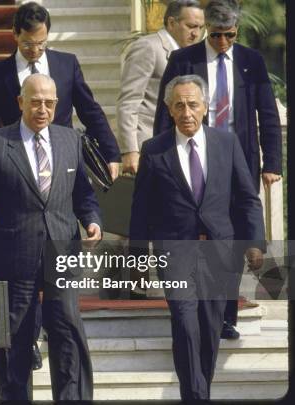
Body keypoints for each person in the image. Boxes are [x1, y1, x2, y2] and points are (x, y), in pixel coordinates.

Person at [0, 74, 102, 400]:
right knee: (15, 336)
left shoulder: (70, 140)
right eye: (35, 101)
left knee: (68, 329)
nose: (42, 109)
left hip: (63, 251)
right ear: (20, 102)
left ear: (57, 105)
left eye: (49, 102)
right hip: (14, 252)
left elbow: (84, 193)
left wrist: (92, 220)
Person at [130, 74, 264, 401]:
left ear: (205, 107)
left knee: (210, 328)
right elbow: (140, 210)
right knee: (185, 324)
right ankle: (195, 395)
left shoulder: (226, 144)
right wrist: (136, 259)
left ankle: (199, 391)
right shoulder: (154, 150)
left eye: (192, 104)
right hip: (175, 253)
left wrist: (254, 242)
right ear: (169, 110)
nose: (187, 112)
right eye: (179, 105)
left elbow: (247, 197)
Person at [153, 0, 282, 339]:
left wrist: (273, 163)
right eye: (217, 35)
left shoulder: (250, 62)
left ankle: (226, 315)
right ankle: (193, 304)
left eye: (230, 35)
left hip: (239, 162)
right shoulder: (183, 60)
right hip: (194, 158)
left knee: (235, 236)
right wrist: (158, 160)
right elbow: (163, 114)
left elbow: (266, 113)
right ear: (206, 29)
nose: (223, 42)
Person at [0, 1, 120, 179]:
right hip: (16, 161)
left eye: (41, 43)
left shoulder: (67, 65)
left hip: (62, 157)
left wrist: (111, 152)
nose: (35, 50)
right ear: (15, 34)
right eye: (28, 44)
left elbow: (89, 110)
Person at [116, 0, 204, 175]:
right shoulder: (148, 47)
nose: (197, 34)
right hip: (148, 143)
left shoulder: (192, 54)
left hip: (180, 143)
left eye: (201, 28)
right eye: (191, 26)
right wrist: (130, 150)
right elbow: (129, 101)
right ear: (171, 22)